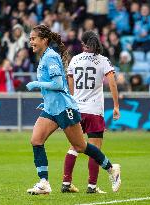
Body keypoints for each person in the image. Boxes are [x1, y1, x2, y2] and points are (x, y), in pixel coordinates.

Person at [26, 25, 121, 195]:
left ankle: (111, 168)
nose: (30, 41)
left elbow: (57, 84)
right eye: (30, 38)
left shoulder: (51, 57)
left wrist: (36, 84)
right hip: (51, 108)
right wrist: (46, 101)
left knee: (80, 146)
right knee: (36, 140)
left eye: (33, 38)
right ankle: (44, 183)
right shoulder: (44, 57)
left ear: (44, 40)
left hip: (64, 109)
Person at [61, 31, 120, 194]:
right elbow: (112, 84)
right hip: (94, 110)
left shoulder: (75, 59)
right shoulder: (103, 61)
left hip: (77, 109)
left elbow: (70, 83)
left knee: (74, 145)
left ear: (83, 44)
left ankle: (66, 182)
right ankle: (92, 186)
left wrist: (74, 102)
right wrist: (116, 105)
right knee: (95, 148)